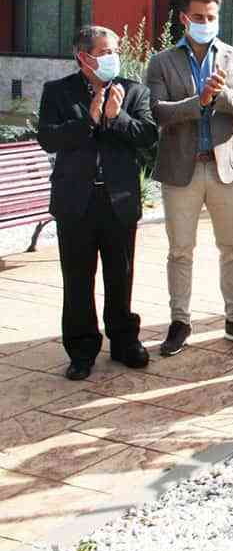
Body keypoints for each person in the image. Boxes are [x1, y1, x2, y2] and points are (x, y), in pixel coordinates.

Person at [37, 26, 159, 380]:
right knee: (77, 279)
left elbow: (147, 136)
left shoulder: (133, 91)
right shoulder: (58, 91)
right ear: (83, 57)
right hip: (76, 201)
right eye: (105, 52)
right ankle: (81, 350)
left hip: (118, 200)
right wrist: (88, 120)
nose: (113, 57)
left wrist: (117, 118)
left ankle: (124, 342)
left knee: (120, 275)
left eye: (115, 51)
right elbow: (48, 138)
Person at [146, 0, 233, 356]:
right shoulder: (161, 61)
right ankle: (180, 321)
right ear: (184, 19)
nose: (206, 23)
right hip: (183, 169)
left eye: (211, 17)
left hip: (227, 168)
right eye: (198, 17)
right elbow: (157, 111)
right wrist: (201, 101)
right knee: (180, 250)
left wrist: (221, 95)